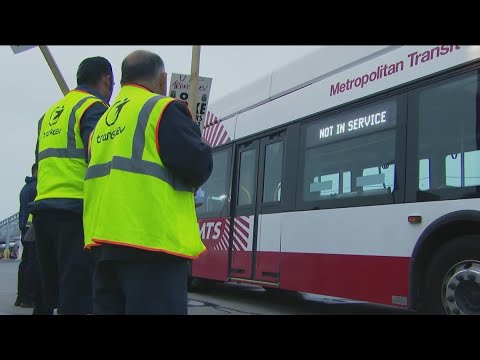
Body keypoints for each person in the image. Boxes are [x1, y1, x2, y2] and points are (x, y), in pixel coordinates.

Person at [83, 50, 213, 315]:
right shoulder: (161, 109)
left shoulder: (103, 124)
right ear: (162, 80)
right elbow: (198, 164)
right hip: (152, 243)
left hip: (104, 243)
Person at [31, 56, 114, 315]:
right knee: (76, 294)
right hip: (75, 211)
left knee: (46, 294)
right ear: (106, 79)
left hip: (43, 210)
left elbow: (39, 163)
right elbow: (98, 155)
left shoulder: (50, 114)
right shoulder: (93, 107)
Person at [14, 163, 37, 308]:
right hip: (33, 229)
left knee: (25, 263)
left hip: (24, 228)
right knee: (33, 263)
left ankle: (20, 296)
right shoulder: (37, 187)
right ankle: (29, 298)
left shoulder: (25, 188)